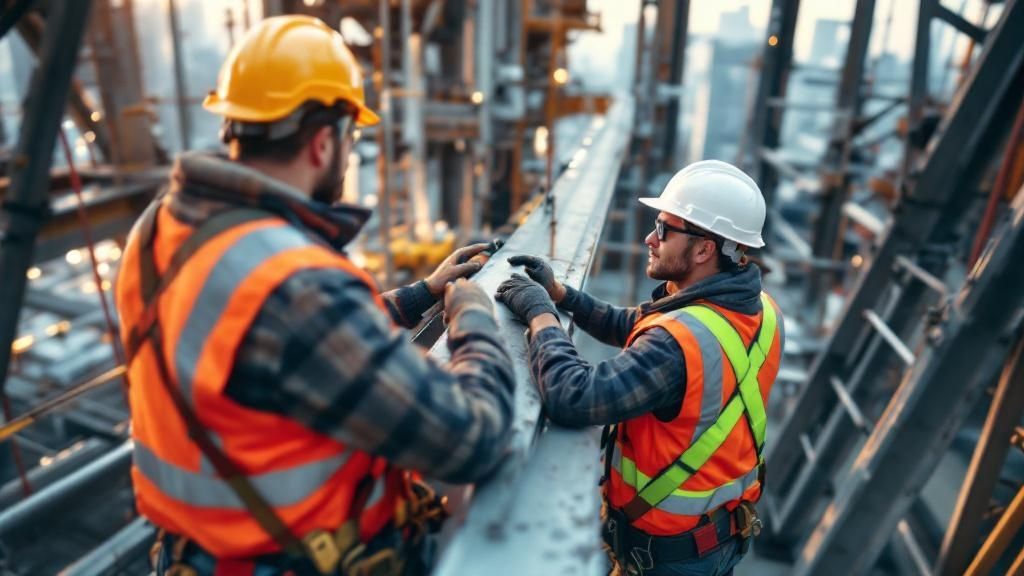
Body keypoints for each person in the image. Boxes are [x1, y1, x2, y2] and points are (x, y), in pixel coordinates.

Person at [114, 15, 514, 575]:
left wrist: (421, 293)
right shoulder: (295, 280)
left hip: (189, 553)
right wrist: (473, 318)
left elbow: (255, 343)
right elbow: (472, 440)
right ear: (325, 143)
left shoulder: (159, 230)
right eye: (351, 139)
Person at [495, 160, 785, 576]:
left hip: (666, 558)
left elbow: (575, 396)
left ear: (704, 249)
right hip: (717, 538)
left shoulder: (678, 342)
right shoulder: (759, 311)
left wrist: (541, 316)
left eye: (665, 228)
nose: (650, 238)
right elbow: (640, 326)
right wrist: (562, 295)